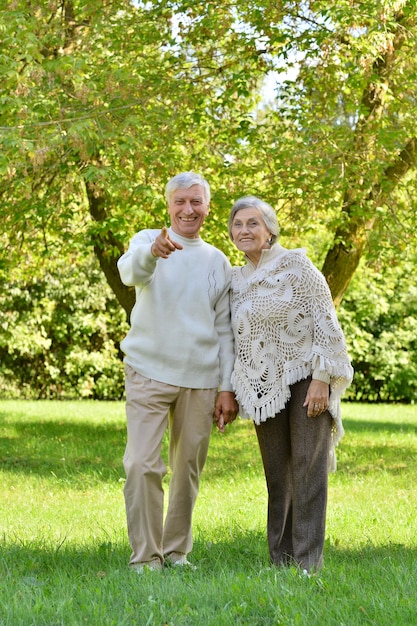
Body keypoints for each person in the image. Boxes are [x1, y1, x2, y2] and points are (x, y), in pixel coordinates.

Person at [117, 172, 238, 573]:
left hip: (201, 380)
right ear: (168, 205)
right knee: (141, 464)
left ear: (207, 207)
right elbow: (129, 273)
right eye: (180, 202)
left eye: (196, 202)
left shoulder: (218, 260)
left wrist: (226, 389)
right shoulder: (147, 241)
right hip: (148, 370)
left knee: (187, 468)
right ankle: (145, 557)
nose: (188, 210)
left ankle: (176, 552)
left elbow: (224, 330)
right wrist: (152, 251)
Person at [228, 196, 353, 573]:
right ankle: (279, 560)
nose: (244, 231)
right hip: (263, 385)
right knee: (277, 474)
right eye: (237, 224)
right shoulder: (235, 280)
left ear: (270, 230)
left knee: (307, 469)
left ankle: (307, 563)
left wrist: (322, 379)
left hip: (306, 378)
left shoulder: (297, 265)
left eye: (253, 223)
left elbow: (325, 321)